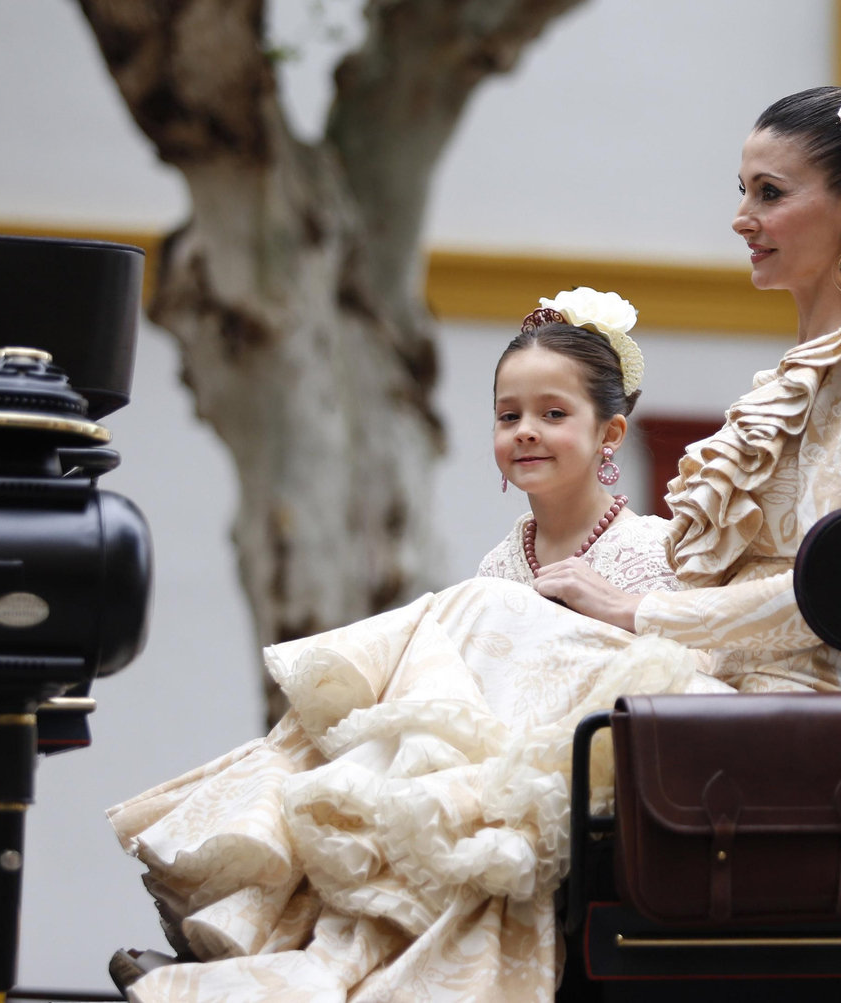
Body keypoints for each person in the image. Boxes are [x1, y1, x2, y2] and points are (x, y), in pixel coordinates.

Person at [109, 289, 726, 1001]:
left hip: (561, 781)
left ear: (609, 433)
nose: (526, 431)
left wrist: (613, 615)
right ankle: (266, 946)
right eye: (509, 415)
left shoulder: (651, 551)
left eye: (554, 414)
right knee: (372, 773)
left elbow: (686, 671)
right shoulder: (500, 565)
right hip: (470, 763)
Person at [539, 40, 841, 694]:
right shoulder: (798, 377)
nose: (741, 220)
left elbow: (826, 590)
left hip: (788, 696)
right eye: (744, 191)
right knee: (482, 611)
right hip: (719, 677)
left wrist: (632, 608)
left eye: (769, 193)